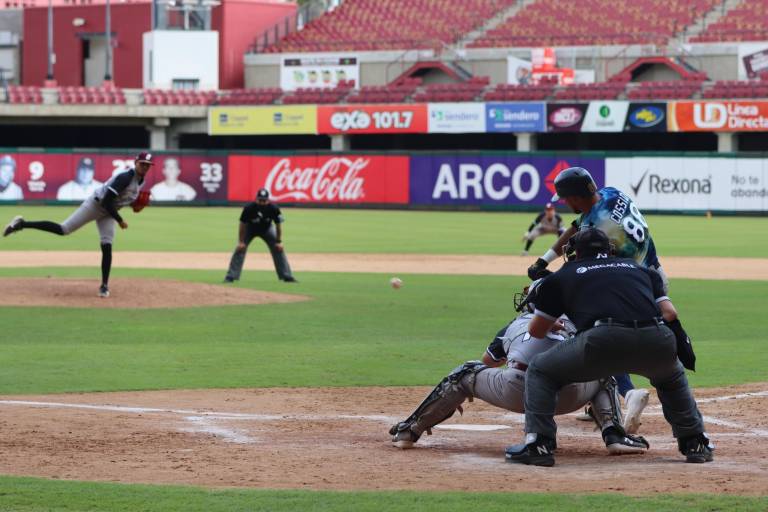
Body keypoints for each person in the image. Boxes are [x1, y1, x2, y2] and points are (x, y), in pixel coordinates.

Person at [506, 228, 712, 467]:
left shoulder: (564, 274)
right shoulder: (640, 270)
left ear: (575, 252)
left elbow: (536, 331)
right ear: (610, 250)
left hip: (603, 341)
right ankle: (695, 442)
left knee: (541, 369)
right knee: (672, 376)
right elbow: (669, 313)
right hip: (657, 339)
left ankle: (538, 443)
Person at [389, 279, 649, 456]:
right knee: (603, 370)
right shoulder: (578, 322)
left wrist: (461, 392)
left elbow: (488, 362)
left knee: (465, 373)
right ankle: (614, 435)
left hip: (517, 391)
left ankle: (409, 431)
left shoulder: (517, 323)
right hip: (569, 395)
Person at [527, 166, 656, 415]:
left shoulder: (599, 227)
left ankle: (626, 393)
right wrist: (544, 260)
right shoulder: (611, 194)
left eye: (565, 199)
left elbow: (582, 273)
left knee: (599, 332)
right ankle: (600, 397)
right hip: (650, 273)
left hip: (631, 283)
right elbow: (576, 227)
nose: (564, 203)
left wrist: (549, 278)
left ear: (574, 197)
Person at [3, 152, 155, 298]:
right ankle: (21, 224)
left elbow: (119, 200)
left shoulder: (139, 180)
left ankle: (104, 285)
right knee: (64, 229)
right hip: (96, 205)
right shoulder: (125, 177)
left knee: (107, 245)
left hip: (109, 212)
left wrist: (133, 204)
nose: (145, 167)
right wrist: (120, 220)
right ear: (136, 163)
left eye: (148, 165)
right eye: (142, 164)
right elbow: (106, 200)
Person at [224, 188, 297, 283]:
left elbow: (278, 225)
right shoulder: (248, 208)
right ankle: (231, 276)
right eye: (260, 200)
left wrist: (279, 242)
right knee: (240, 249)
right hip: (250, 229)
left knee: (278, 248)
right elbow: (242, 224)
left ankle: (287, 276)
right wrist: (241, 242)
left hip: (267, 229)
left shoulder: (274, 208)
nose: (262, 202)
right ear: (256, 199)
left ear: (268, 200)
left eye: (264, 200)